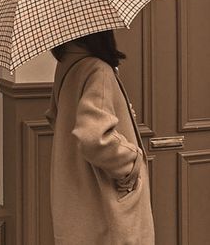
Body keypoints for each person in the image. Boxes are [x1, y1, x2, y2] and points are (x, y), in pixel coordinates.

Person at [45, 30, 155, 245]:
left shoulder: (68, 65)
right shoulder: (98, 69)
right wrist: (131, 164)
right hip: (105, 202)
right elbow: (94, 137)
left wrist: (121, 112)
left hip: (78, 198)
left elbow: (55, 117)